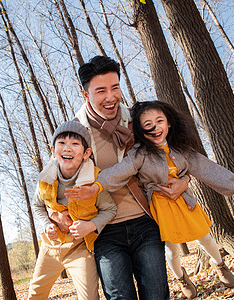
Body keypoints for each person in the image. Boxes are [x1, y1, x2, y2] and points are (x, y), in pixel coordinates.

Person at [66, 100, 234, 299]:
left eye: (159, 121)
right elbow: (120, 171)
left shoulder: (182, 150)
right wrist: (96, 186)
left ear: (169, 122)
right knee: (171, 249)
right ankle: (181, 278)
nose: (155, 128)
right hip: (160, 208)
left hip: (184, 202)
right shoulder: (141, 153)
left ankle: (219, 264)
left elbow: (208, 169)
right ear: (141, 130)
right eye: (148, 125)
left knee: (204, 236)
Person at [51, 56, 190, 300]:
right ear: (86, 95)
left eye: (115, 88)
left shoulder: (136, 120)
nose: (110, 97)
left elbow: (171, 153)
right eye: (101, 90)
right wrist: (57, 213)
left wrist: (185, 180)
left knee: (157, 295)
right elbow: (55, 183)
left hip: (145, 222)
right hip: (103, 230)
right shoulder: (73, 133)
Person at [28, 120, 117, 300]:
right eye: (61, 143)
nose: (67, 148)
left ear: (86, 153)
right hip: (50, 247)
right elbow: (37, 205)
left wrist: (90, 225)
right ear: (53, 151)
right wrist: (47, 225)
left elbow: (110, 209)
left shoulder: (93, 179)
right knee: (36, 293)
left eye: (75, 144)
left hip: (80, 247)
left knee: (90, 296)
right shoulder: (45, 178)